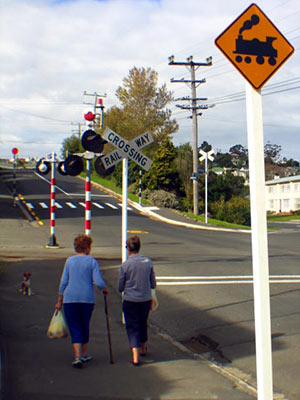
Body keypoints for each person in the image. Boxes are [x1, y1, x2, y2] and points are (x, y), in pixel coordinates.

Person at [56, 234, 108, 368]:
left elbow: (64, 282)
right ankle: (83, 354)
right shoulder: (92, 261)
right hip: (87, 299)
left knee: (74, 326)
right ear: (86, 247)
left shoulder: (69, 261)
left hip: (70, 298)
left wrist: (59, 299)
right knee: (84, 325)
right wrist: (104, 289)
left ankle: (77, 356)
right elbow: (99, 281)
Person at [118, 235, 156, 366]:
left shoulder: (126, 265)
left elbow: (120, 286)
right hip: (145, 299)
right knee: (142, 323)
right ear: (139, 247)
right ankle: (143, 347)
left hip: (130, 300)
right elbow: (153, 283)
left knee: (132, 326)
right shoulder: (148, 262)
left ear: (128, 248)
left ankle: (135, 355)